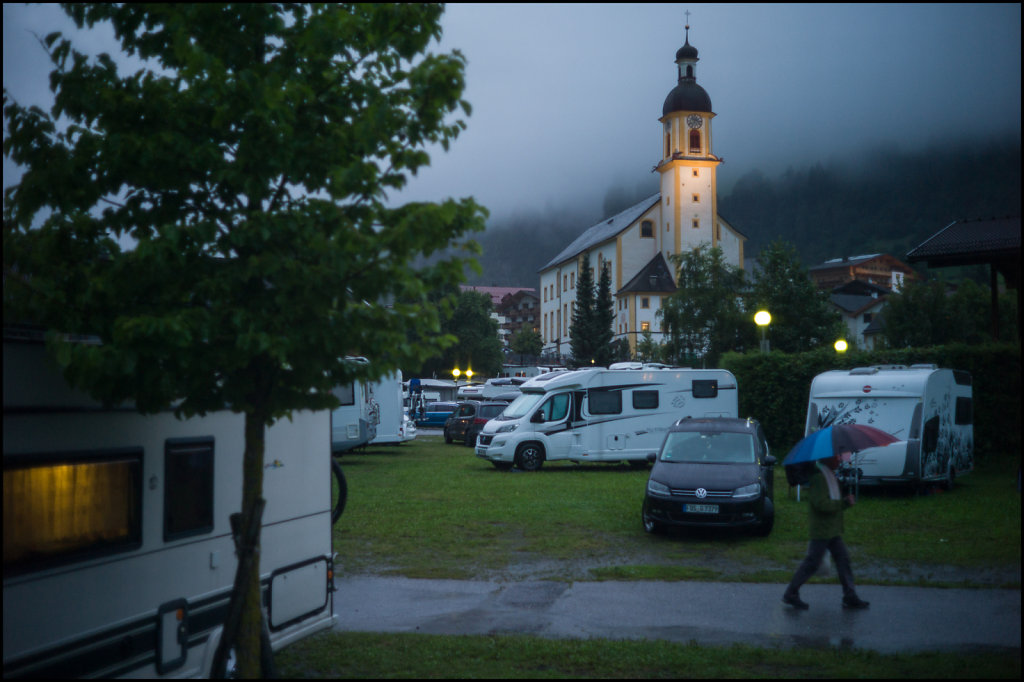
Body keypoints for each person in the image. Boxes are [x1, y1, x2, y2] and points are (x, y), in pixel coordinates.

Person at [782, 450, 870, 610]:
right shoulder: (819, 478)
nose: (839, 459)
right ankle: (791, 593)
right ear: (827, 458)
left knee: (843, 561)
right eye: (836, 456)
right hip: (822, 530)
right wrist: (843, 504)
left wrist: (843, 499)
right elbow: (821, 504)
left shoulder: (829, 475)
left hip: (832, 530)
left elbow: (830, 500)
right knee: (812, 563)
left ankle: (850, 596)